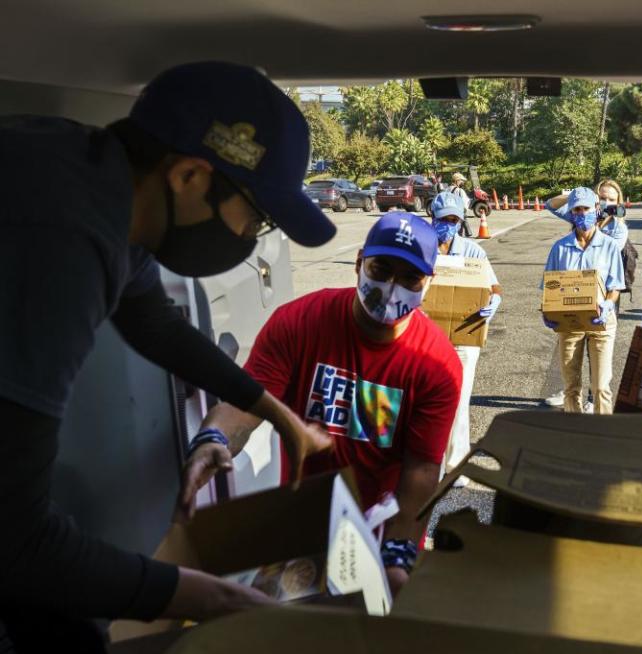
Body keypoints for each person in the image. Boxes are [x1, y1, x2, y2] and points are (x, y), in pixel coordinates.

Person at [0, 61, 338, 654]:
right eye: (255, 217)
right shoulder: (61, 239)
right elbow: (16, 540)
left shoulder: (99, 184)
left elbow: (154, 323)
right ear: (188, 175)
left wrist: (281, 417)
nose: (251, 237)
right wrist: (209, 597)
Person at [179, 212, 463, 595]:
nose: (391, 288)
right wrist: (213, 438)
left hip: (378, 528)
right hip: (301, 519)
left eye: (409, 277)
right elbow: (243, 403)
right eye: (381, 268)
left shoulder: (437, 364)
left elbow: (422, 469)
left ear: (429, 282)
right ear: (359, 262)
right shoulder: (299, 322)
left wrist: (399, 554)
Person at [428, 192, 503, 485]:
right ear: (432, 217)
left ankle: (456, 462)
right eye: (444, 219)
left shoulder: (473, 252)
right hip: (427, 336)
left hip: (463, 338)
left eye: (454, 220)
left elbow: (494, 287)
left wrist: (493, 302)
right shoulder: (422, 248)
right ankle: (430, 459)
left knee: (459, 400)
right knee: (427, 398)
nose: (448, 225)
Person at [542, 187, 626, 414]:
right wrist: (548, 312)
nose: (581, 214)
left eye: (586, 208)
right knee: (571, 387)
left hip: (602, 322)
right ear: (571, 213)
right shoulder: (560, 248)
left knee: (600, 387)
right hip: (569, 324)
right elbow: (550, 288)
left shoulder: (609, 245)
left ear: (596, 209)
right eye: (576, 209)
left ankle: (603, 436)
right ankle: (575, 433)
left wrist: (608, 304)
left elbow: (615, 286)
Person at [448, 172, 473, 237]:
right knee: (459, 234)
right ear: (457, 181)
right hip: (458, 215)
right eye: (461, 180)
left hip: (449, 214)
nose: (462, 182)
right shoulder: (460, 191)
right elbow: (465, 204)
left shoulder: (447, 189)